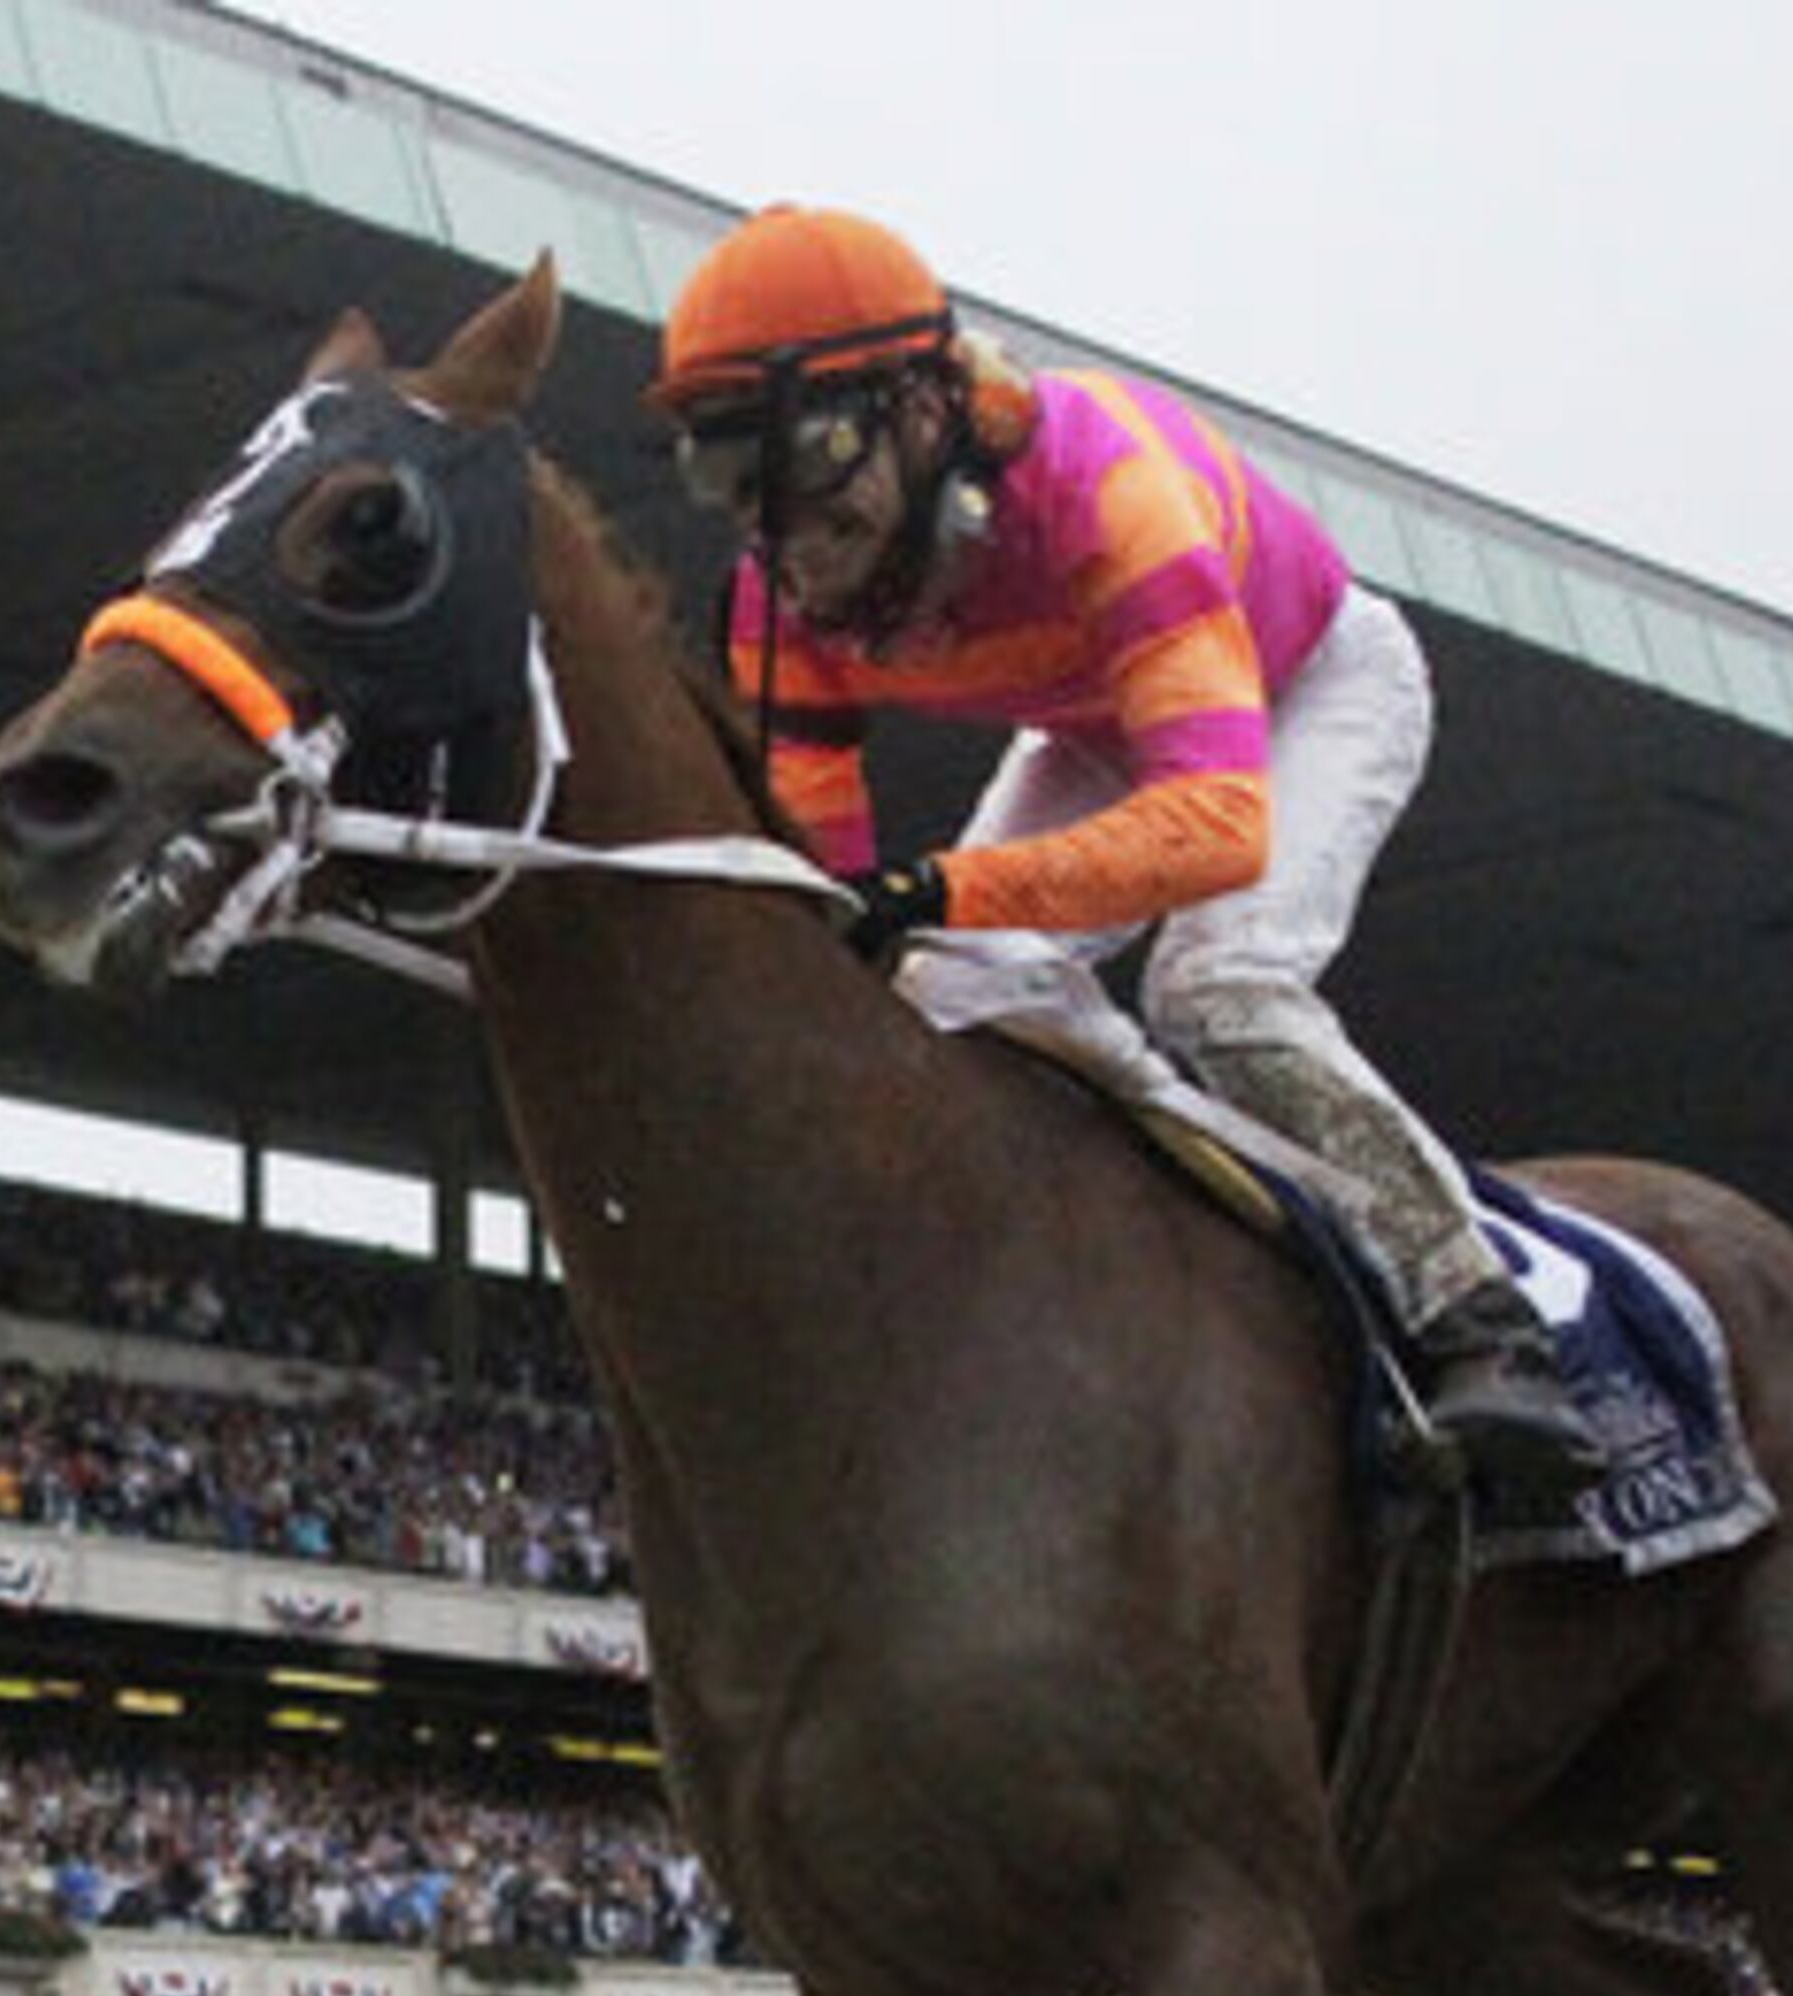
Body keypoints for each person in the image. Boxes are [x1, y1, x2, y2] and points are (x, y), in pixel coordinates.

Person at [647, 204, 1598, 1500]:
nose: (791, 539)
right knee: (937, 988)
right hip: (1098, 719)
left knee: (1219, 985)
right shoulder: (777, 597)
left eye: (810, 462)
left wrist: (940, 887)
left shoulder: (1108, 492)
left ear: (924, 407)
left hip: (1309, 687)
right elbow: (830, 899)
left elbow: (1214, 823)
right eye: (735, 481)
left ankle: (1477, 1314)